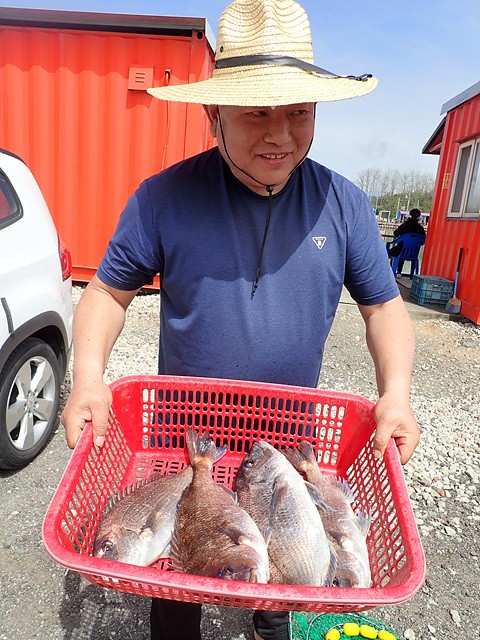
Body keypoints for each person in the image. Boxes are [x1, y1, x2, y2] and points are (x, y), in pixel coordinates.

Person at [61, 1, 420, 639]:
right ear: (214, 114)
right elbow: (108, 294)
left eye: (299, 113)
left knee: (283, 582)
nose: (279, 134)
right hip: (182, 437)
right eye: (256, 113)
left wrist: (396, 393)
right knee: (179, 583)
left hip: (288, 440)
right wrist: (88, 379)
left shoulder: (344, 204)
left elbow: (383, 305)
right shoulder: (162, 198)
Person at [389, 208, 426, 274]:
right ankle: (411, 274)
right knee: (403, 247)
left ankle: (396, 272)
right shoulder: (420, 228)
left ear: (409, 215)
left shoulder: (405, 226)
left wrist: (404, 223)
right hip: (414, 253)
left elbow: (396, 233)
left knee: (398, 248)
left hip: (399, 252)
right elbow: (423, 239)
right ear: (419, 217)